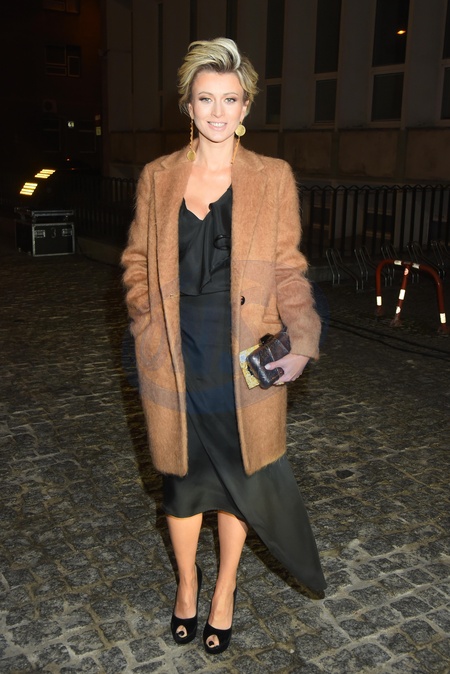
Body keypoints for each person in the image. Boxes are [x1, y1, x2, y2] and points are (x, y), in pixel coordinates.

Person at [121, 37, 326, 655]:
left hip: (242, 358)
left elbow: (288, 268)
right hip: (174, 353)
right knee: (183, 483)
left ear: (246, 107)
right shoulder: (157, 177)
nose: (217, 110)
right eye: (205, 98)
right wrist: (146, 322)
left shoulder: (272, 177)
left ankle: (225, 590)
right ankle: (187, 584)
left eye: (230, 99)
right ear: (188, 106)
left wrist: (301, 339)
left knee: (238, 480)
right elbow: (136, 262)